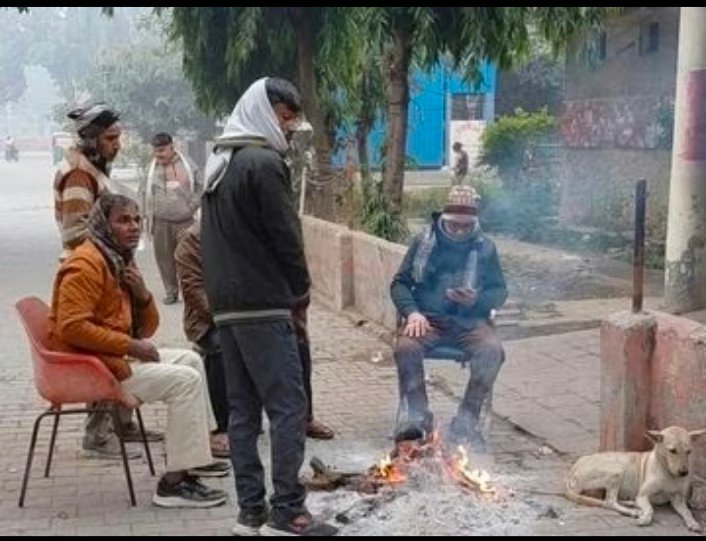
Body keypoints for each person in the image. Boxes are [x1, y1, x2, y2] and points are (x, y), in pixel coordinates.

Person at [201, 77, 338, 536]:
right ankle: (288, 512)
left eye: (293, 119)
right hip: (263, 305)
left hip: (227, 308)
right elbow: (285, 235)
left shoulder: (220, 164)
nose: (289, 127)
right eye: (284, 117)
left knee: (242, 413)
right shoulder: (262, 163)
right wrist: (300, 291)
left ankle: (251, 512)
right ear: (263, 111)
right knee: (288, 407)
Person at [48, 193, 230, 508]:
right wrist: (129, 345)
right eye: (123, 220)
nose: (133, 227)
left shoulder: (117, 259)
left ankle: (194, 457)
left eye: (136, 219)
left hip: (113, 357)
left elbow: (147, 329)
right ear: (103, 225)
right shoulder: (85, 264)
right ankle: (173, 484)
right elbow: (71, 327)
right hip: (94, 366)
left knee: (191, 360)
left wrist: (142, 294)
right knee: (185, 381)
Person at [52, 103, 163, 459]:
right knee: (102, 347)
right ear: (91, 139)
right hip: (91, 276)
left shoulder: (91, 169)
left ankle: (121, 423)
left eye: (118, 137)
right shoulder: (78, 174)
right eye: (110, 138)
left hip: (107, 269)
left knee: (117, 340)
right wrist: (106, 260)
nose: (117, 145)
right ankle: (98, 436)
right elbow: (74, 232)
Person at [174, 221, 334, 454]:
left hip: (257, 313)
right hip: (211, 320)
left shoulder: (256, 231)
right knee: (221, 345)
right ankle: (222, 427)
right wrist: (234, 319)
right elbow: (195, 293)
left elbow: (291, 277)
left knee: (296, 339)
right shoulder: (193, 240)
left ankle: (303, 417)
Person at [390, 185, 507, 452]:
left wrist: (476, 300)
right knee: (405, 348)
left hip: (471, 322)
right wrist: (412, 312)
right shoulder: (424, 242)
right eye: (454, 225)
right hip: (428, 320)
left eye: (466, 226)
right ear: (444, 219)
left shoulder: (486, 247)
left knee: (492, 351)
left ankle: (466, 421)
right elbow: (400, 284)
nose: (459, 231)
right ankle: (419, 419)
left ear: (474, 222)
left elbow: (499, 290)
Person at [140, 132, 202, 305]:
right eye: (155, 151)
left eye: (162, 150)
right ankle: (171, 291)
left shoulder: (187, 165)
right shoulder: (151, 168)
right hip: (160, 222)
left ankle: (191, 292)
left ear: (172, 147)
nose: (158, 154)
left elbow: (200, 186)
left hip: (185, 221)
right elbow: (143, 192)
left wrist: (192, 206)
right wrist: (143, 216)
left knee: (188, 258)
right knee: (164, 259)